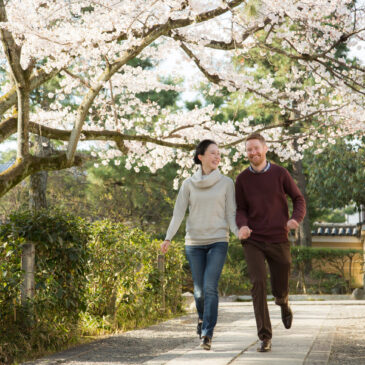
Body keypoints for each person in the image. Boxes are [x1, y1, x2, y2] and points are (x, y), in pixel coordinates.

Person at [161, 139, 238, 351]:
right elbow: (178, 213)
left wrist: (238, 232)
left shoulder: (227, 183)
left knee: (210, 287)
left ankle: (207, 334)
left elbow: (231, 214)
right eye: (212, 153)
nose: (217, 157)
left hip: (218, 241)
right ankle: (202, 318)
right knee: (199, 291)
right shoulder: (188, 184)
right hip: (194, 243)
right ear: (200, 157)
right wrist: (168, 237)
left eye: (219, 154)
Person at [235, 133, 306, 352]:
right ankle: (264, 336)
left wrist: (295, 219)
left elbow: (298, 198)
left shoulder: (280, 173)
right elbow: (241, 209)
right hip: (254, 239)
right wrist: (243, 226)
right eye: (249, 150)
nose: (252, 153)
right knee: (258, 283)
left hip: (278, 236)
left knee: (281, 275)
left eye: (256, 148)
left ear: (265, 149)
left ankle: (283, 300)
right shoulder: (242, 179)